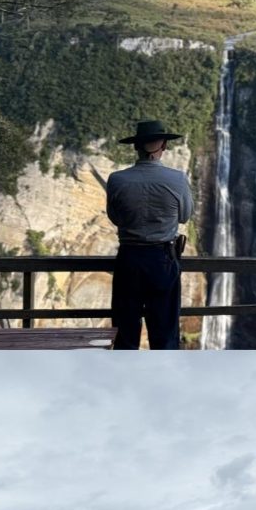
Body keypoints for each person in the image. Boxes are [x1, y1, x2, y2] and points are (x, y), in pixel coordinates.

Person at [103, 120, 193, 350]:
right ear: (163, 146)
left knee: (125, 332)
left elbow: (115, 217)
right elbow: (185, 216)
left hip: (129, 259)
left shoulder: (116, 180)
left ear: (136, 147)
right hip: (162, 259)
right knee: (165, 332)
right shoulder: (178, 179)